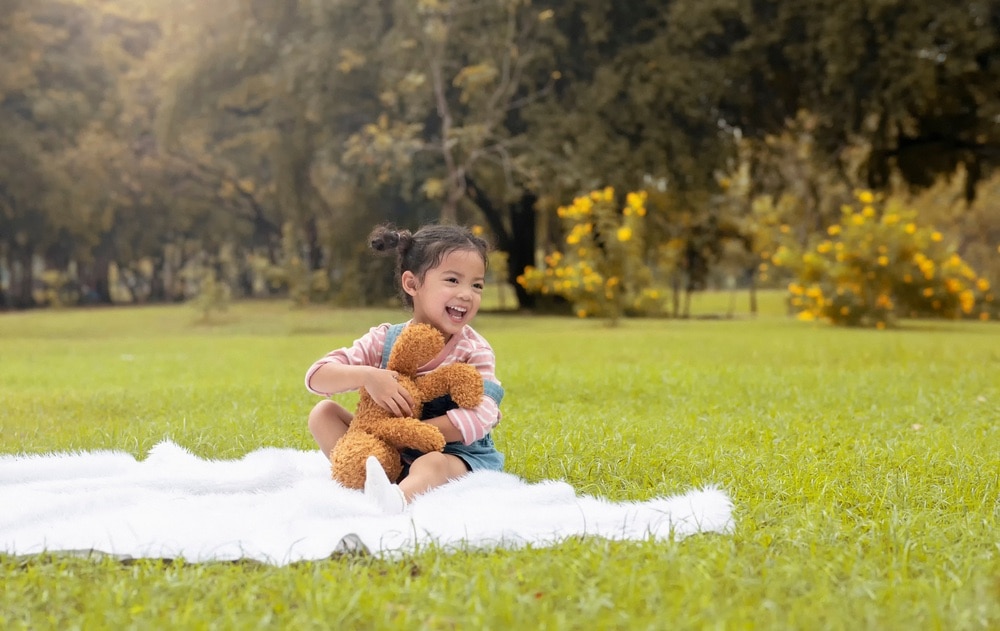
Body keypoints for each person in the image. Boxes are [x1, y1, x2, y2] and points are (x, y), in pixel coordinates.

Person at [304, 224, 505, 514]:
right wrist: (368, 376)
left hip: (455, 455)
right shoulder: (385, 339)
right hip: (393, 451)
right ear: (412, 284)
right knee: (323, 414)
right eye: (452, 280)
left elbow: (481, 416)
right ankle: (369, 476)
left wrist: (405, 433)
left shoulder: (474, 350)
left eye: (477, 285)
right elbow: (317, 376)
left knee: (430, 463)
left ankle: (393, 502)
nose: (467, 294)